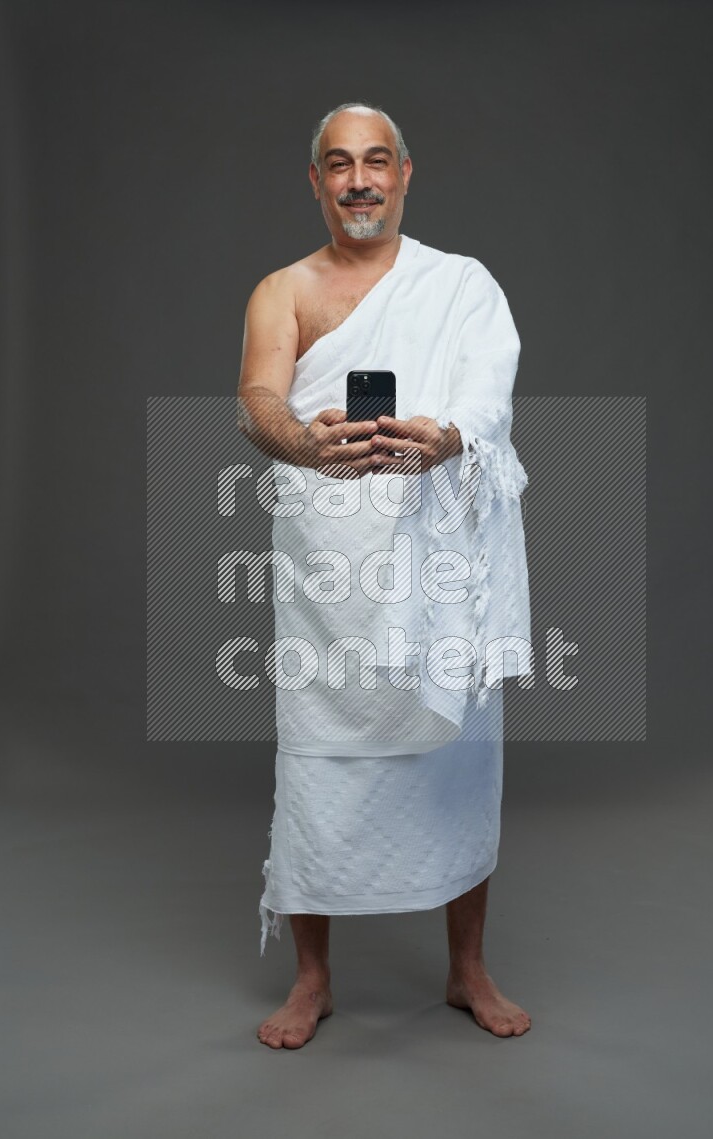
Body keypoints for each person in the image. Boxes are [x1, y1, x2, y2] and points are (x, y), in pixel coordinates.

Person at [237, 102, 532, 1048]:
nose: (358, 180)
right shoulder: (282, 289)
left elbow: (487, 393)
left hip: (442, 562)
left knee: (459, 751)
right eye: (337, 165)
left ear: (406, 173)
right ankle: (312, 979)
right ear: (315, 182)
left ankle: (466, 968)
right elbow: (257, 401)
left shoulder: (464, 285)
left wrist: (447, 439)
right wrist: (305, 444)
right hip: (330, 568)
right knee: (318, 757)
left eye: (375, 162)